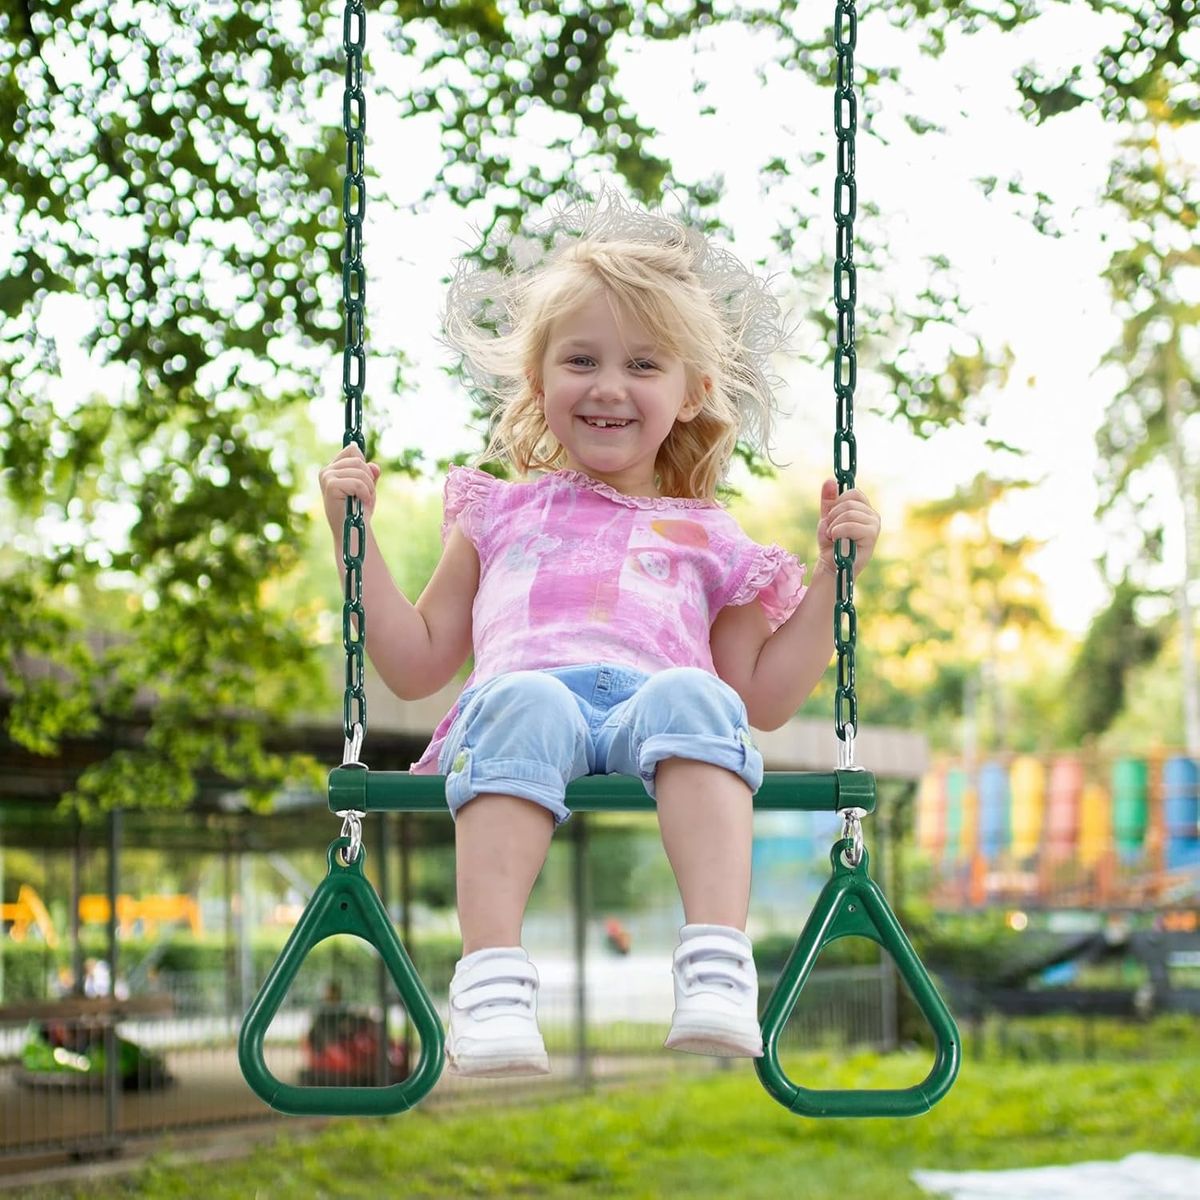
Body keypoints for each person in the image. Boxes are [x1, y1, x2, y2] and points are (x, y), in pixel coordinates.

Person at [318, 192, 881, 1078]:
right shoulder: (497, 514)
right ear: (540, 380)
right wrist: (357, 542)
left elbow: (761, 701)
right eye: (581, 359)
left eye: (643, 364)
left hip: (653, 715)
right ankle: (493, 978)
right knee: (524, 698)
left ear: (691, 389)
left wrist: (832, 579)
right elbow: (416, 660)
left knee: (698, 697)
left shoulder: (711, 537)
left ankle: (715, 965)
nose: (609, 386)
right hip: (519, 712)